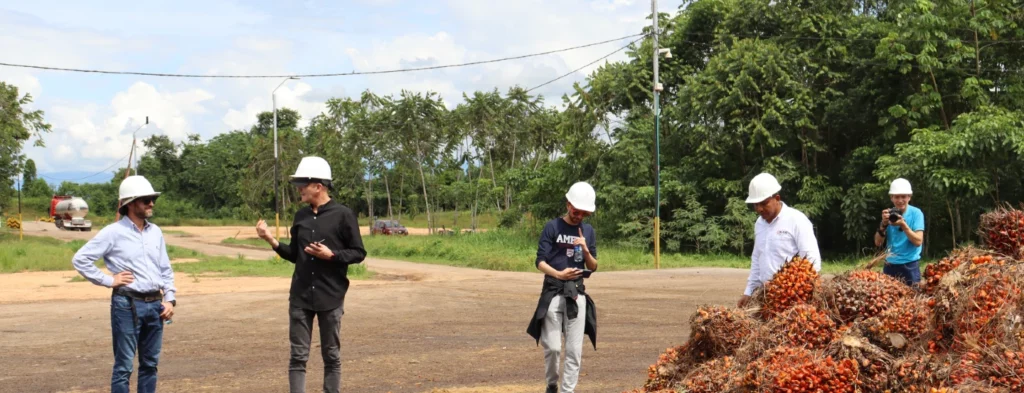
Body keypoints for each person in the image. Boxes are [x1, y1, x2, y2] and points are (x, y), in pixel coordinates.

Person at [254, 156, 366, 393]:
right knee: (297, 356)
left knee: (332, 356)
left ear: (319, 185)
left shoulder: (343, 215)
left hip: (331, 296)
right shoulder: (301, 217)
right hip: (301, 297)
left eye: (303, 184)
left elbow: (358, 252)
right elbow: (295, 254)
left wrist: (332, 255)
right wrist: (270, 240)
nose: (299, 189)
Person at [72, 175, 176, 393]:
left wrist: (170, 300)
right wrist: (109, 280)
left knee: (150, 364)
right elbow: (80, 259)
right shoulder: (113, 232)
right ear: (130, 203)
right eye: (146, 199)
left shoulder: (155, 232)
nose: (151, 203)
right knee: (124, 366)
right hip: (127, 304)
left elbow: (165, 269)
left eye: (152, 199)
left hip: (156, 305)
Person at [526, 182, 599, 393]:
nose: (579, 216)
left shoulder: (588, 231)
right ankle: (551, 384)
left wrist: (585, 250)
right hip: (554, 291)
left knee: (574, 351)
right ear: (568, 205)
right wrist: (559, 274)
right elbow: (539, 261)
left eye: (584, 213)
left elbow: (593, 267)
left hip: (576, 294)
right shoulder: (552, 227)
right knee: (554, 347)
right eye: (576, 211)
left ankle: (568, 391)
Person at [738, 173, 821, 307]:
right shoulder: (759, 224)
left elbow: (812, 261)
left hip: (793, 299)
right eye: (755, 205)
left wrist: (788, 288)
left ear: (777, 198)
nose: (759, 209)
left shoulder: (797, 220)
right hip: (766, 297)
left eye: (764, 203)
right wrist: (748, 292)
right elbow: (757, 259)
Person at [874, 178, 925, 288]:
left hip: (909, 264)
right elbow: (878, 243)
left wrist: (903, 225)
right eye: (897, 197)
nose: (900, 200)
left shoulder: (916, 213)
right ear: (891, 198)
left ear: (909, 197)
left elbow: (918, 241)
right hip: (890, 264)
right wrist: (883, 225)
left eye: (903, 196)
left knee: (912, 298)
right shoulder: (889, 215)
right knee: (888, 299)